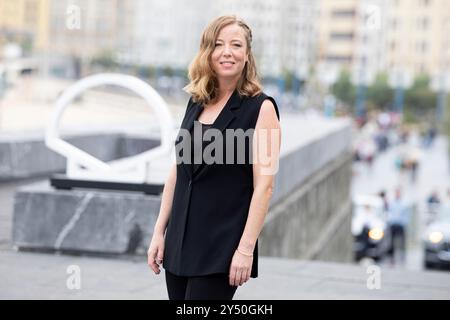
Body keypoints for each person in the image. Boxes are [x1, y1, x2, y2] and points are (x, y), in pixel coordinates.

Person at [146, 15, 281, 300]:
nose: (227, 52)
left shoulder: (262, 109)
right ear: (207, 53)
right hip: (180, 243)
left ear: (247, 55)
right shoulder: (197, 101)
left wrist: (245, 249)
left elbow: (264, 187)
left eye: (236, 45)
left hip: (221, 246)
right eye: (218, 44)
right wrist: (160, 231)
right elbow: (178, 171)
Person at [387, 187, 410, 265]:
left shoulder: (404, 203)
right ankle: (392, 257)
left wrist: (404, 223)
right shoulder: (392, 202)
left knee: (402, 241)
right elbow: (390, 213)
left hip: (400, 224)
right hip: (393, 224)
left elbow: (406, 214)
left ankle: (403, 256)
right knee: (392, 241)